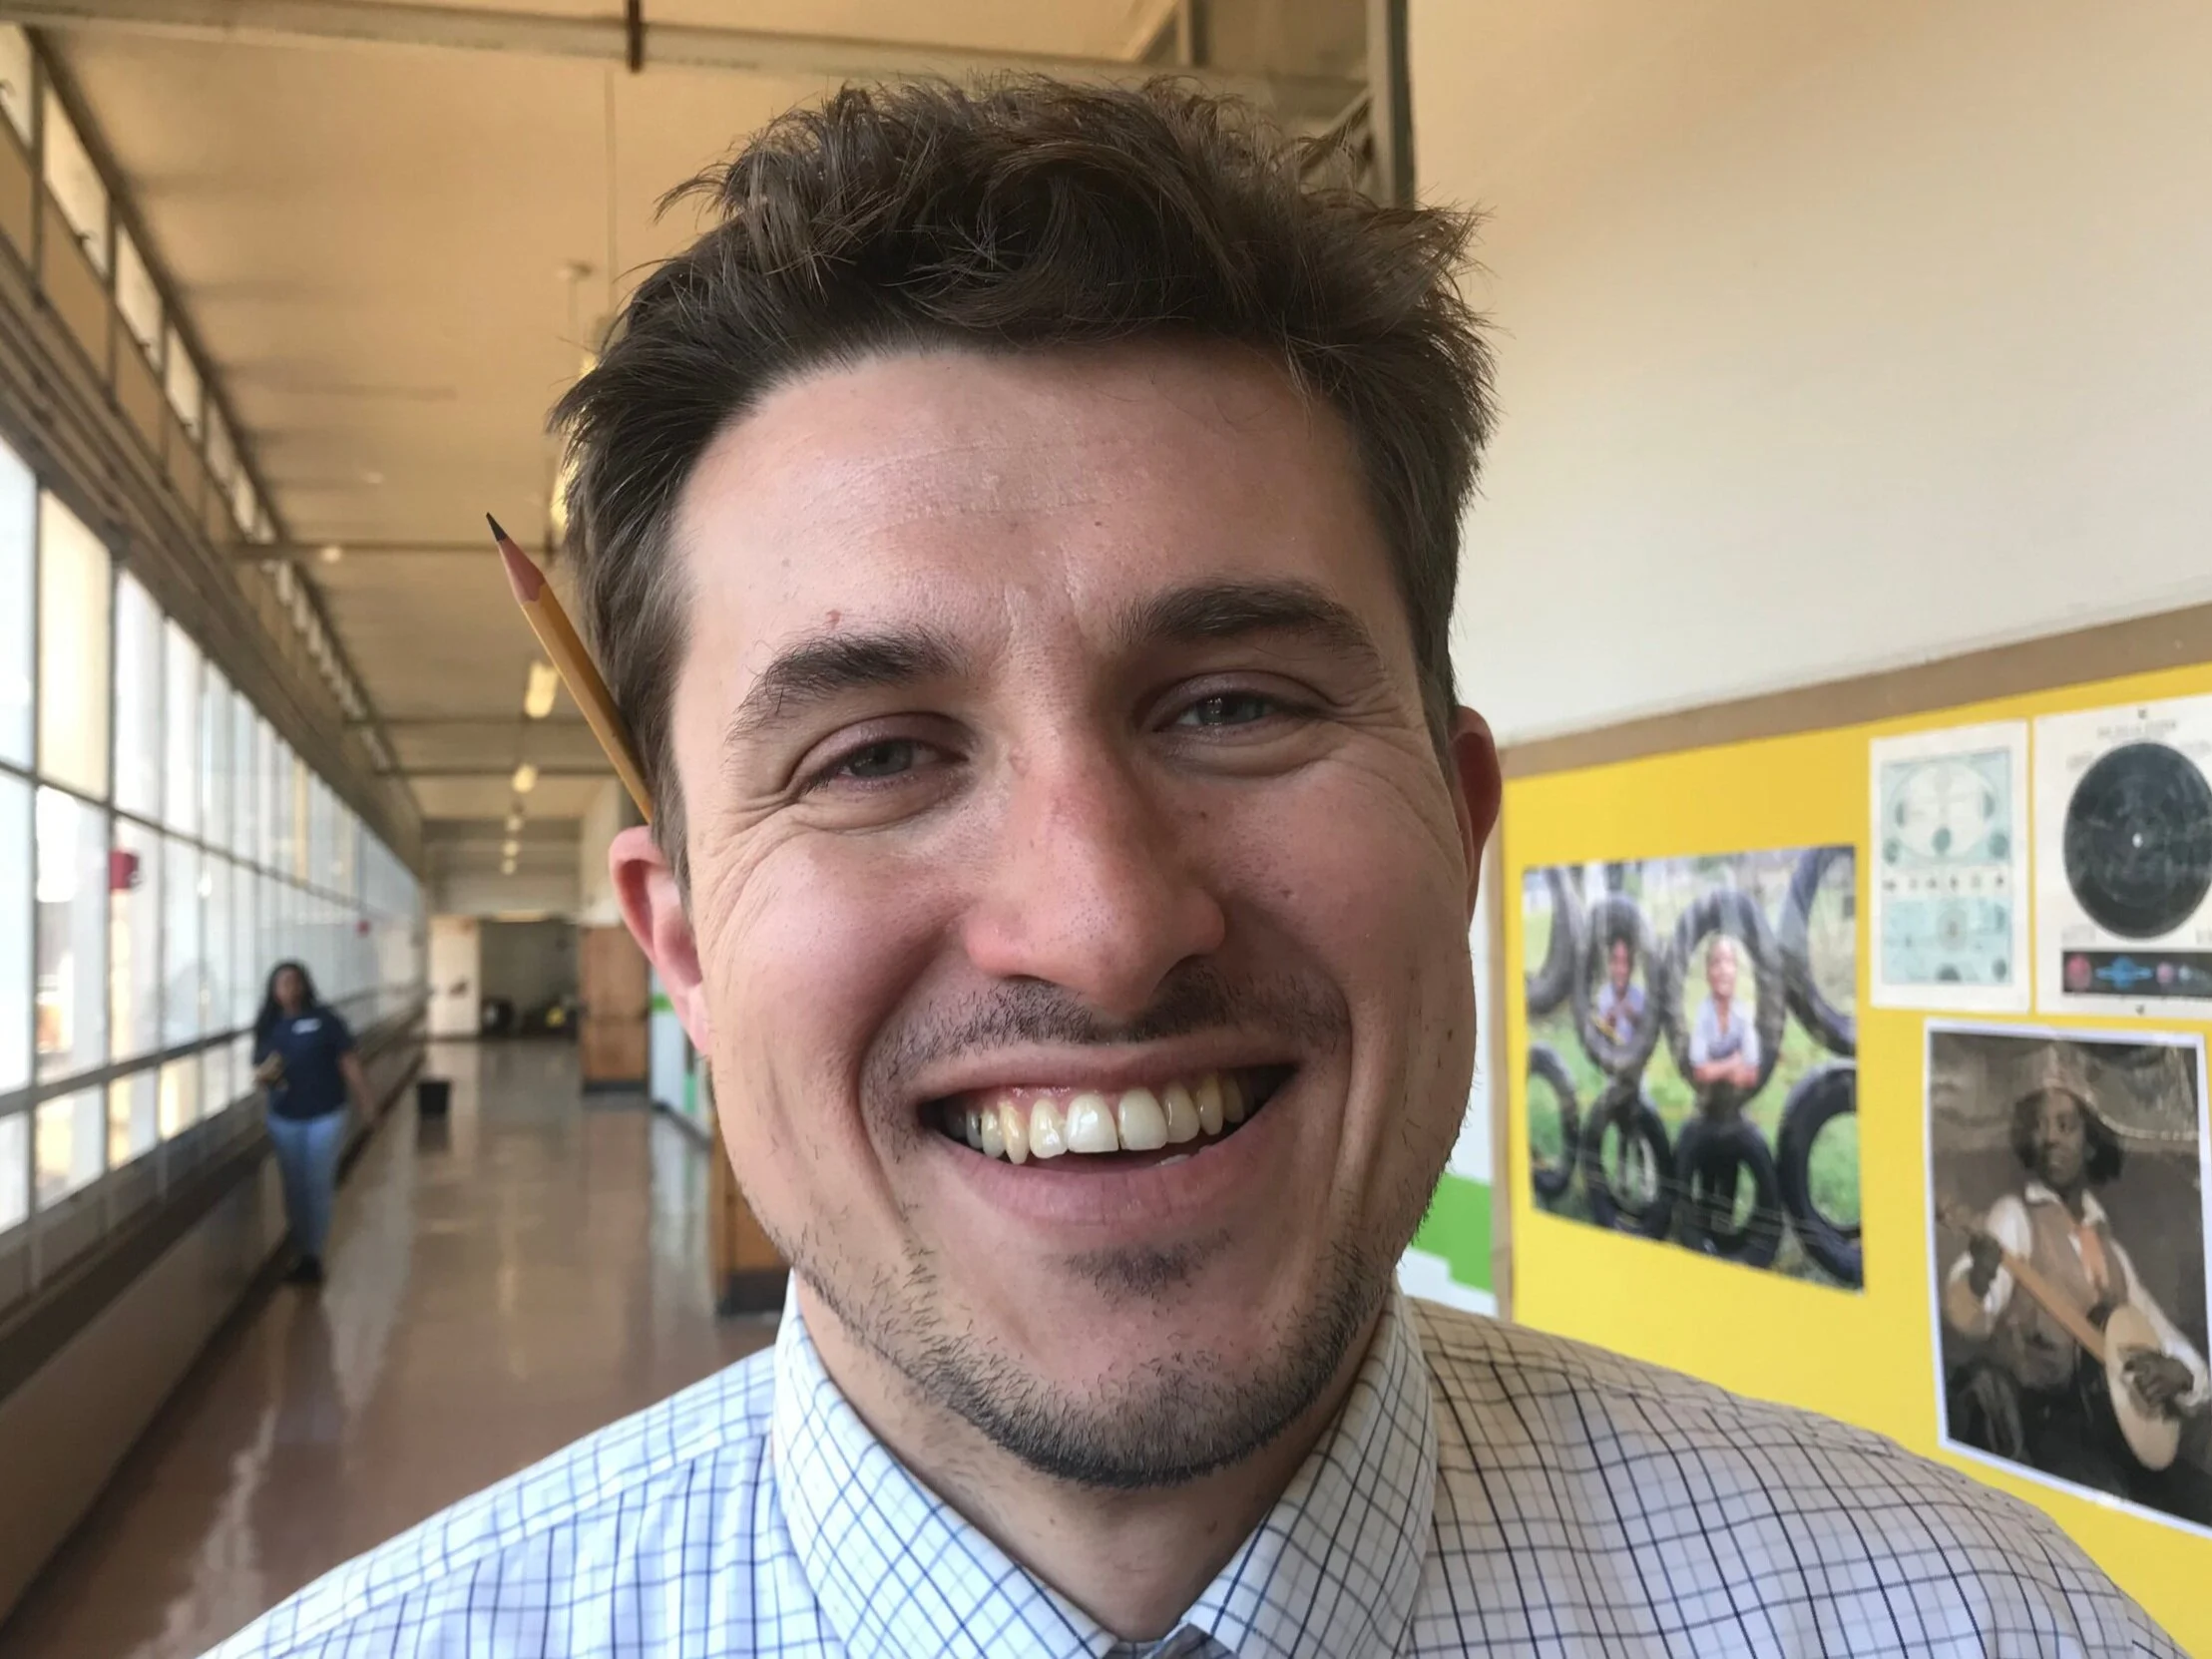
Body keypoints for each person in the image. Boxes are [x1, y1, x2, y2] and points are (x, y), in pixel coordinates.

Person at [208, 82, 2175, 1657]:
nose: (1100, 924)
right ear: (686, 941)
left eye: (1231, 706)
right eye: (876, 754)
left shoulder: (1984, 1627)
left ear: (1459, 827)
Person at [1944, 1045, 2210, 1521]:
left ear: (2090, 1142)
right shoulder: (2014, 1217)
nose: (2050, 1138)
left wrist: (2181, 1374)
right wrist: (1980, 1276)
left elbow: (2169, 1340)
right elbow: (1972, 1318)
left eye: (2065, 1125)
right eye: (2040, 1126)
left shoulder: (2112, 1250)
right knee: (2118, 1504)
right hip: (2049, 1428)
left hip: (2117, 1433)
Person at [250, 961, 369, 1287]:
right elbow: (261, 1070)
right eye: (281, 983)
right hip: (285, 1118)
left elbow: (348, 1061)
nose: (288, 988)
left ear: (304, 985)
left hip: (325, 1114)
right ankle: (303, 1248)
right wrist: (266, 1077)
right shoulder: (268, 1027)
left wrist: (366, 1103)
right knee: (294, 1188)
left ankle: (312, 1255)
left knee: (317, 1183)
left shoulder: (326, 1021)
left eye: (294, 981)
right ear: (273, 990)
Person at [1687, 933, 1760, 1093]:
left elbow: (1751, 1075)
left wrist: (1714, 1069)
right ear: (1708, 974)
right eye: (1716, 963)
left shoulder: (1743, 1014)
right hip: (1707, 1099)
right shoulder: (1704, 1013)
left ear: (1735, 970)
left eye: (1728, 962)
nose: (1723, 970)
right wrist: (1733, 1063)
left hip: (1738, 1100)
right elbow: (1700, 1071)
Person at [1591, 935, 1643, 1045]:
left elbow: (1646, 1036)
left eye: (1625, 963)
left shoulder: (1640, 997)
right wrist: (1608, 1027)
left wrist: (1635, 1020)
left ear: (1632, 967)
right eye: (1616, 962)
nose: (1621, 970)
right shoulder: (1603, 996)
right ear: (1610, 965)